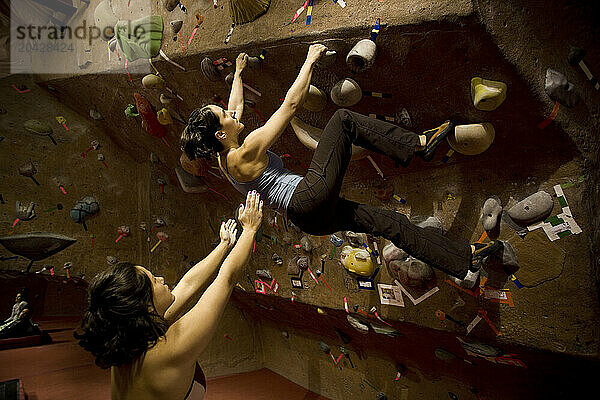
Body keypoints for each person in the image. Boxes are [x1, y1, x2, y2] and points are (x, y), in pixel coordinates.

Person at [180, 45, 504, 288]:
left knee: (389, 222)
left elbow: (234, 108)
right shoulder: (245, 150)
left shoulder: (224, 155)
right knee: (342, 120)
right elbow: (290, 105)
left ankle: (464, 259)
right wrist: (310, 60)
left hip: (309, 218)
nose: (229, 112)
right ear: (221, 133)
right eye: (221, 115)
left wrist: (237, 74)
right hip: (308, 197)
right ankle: (417, 145)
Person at [74, 191, 263, 400]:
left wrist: (224, 245)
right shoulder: (170, 350)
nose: (162, 279)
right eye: (154, 280)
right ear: (146, 305)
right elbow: (226, 278)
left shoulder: (130, 337)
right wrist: (250, 228)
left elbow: (188, 284)